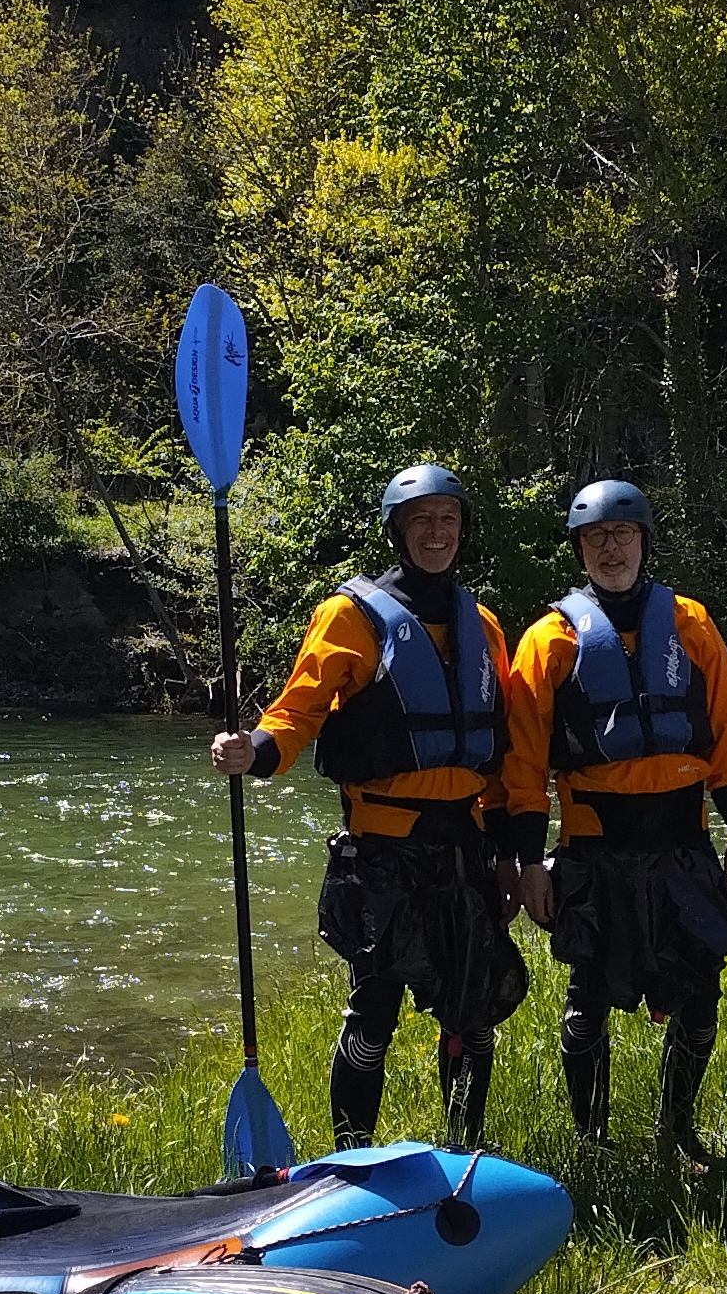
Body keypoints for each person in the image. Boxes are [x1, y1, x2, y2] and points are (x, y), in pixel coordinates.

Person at [209, 463, 525, 1150]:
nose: (437, 534)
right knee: (373, 1014)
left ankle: (463, 1150)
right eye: (422, 522)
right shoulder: (350, 617)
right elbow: (298, 710)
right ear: (398, 532)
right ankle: (353, 1159)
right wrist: (256, 750)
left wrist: (506, 856)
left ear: (463, 531)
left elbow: (498, 756)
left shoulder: (487, 627)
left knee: (472, 1016)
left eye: (448, 520)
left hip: (465, 849)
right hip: (382, 852)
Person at [503, 479, 727, 1168]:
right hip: (593, 848)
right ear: (580, 549)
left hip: (682, 843)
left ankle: (678, 1132)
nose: (611, 549)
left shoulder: (694, 625)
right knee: (589, 999)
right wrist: (528, 861)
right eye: (596, 538)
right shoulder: (548, 639)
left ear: (645, 540)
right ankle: (593, 1143)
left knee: (701, 989)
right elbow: (523, 764)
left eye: (623, 535)